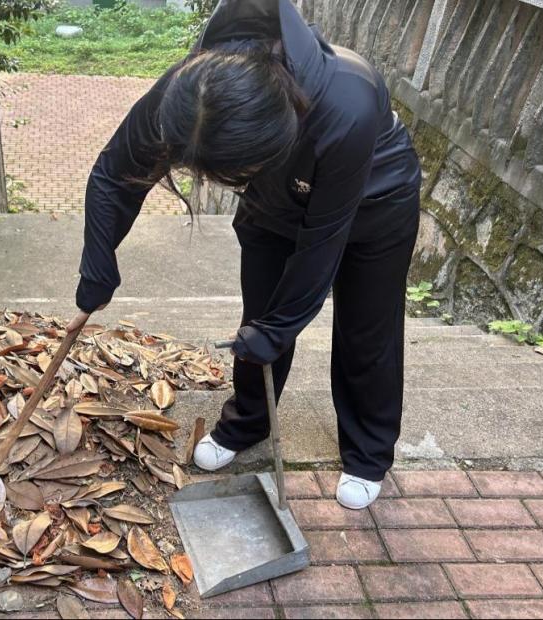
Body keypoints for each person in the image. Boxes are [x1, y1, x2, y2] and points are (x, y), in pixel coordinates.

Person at [66, 0, 422, 510]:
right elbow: (114, 174)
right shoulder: (197, 88)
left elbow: (323, 241)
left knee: (366, 330)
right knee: (258, 319)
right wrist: (98, 263)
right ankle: (249, 422)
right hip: (272, 200)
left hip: (374, 203)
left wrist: (282, 327)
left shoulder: (349, 100)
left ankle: (368, 453)